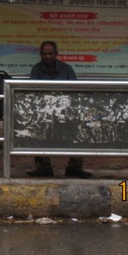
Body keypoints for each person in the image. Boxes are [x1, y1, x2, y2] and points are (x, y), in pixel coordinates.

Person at [27, 41, 92, 179]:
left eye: (50, 53)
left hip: (66, 111)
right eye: (44, 54)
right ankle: (44, 167)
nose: (48, 57)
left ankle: (74, 167)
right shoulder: (36, 70)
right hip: (45, 111)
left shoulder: (66, 69)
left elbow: (74, 93)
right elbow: (33, 94)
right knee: (35, 128)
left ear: (56, 54)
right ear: (40, 55)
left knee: (82, 127)